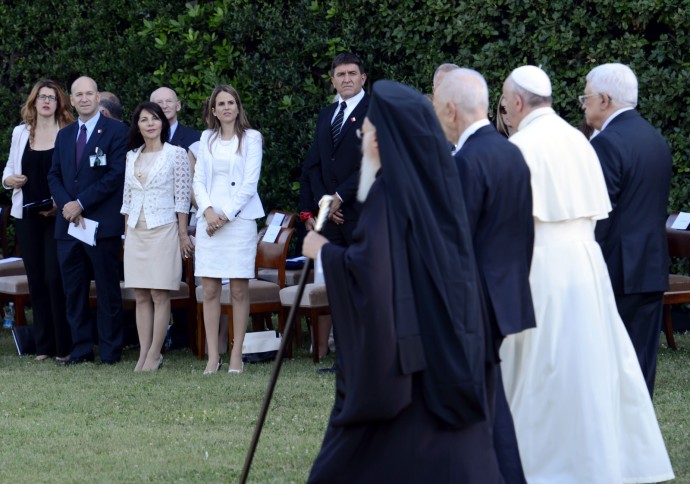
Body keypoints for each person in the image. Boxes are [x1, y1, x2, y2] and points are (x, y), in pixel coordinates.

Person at [304, 80, 501, 483]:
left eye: (366, 133)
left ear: (380, 142)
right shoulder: (435, 185)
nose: (362, 142)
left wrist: (322, 252)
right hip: (445, 344)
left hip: (405, 358)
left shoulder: (388, 195)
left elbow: (370, 272)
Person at [499, 65, 674, 483]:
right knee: (602, 367)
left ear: (518, 102)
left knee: (544, 370)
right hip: (593, 266)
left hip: (545, 267)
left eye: (504, 103)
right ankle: (604, 454)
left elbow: (508, 220)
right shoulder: (584, 142)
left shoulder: (523, 146)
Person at [434, 68, 535, 483]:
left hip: (472, 304)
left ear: (452, 110)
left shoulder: (466, 162)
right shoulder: (511, 152)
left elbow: (455, 245)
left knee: (475, 406)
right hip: (505, 296)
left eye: (439, 110)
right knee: (490, 403)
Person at [582, 63, 672, 397]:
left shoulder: (606, 144)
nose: (584, 104)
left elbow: (599, 215)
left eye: (587, 96)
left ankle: (618, 441)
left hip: (616, 269)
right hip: (650, 266)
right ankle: (641, 438)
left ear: (604, 99)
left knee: (610, 365)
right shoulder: (655, 138)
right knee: (642, 361)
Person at [47, 76, 129, 365]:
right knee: (74, 292)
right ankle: (81, 350)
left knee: (107, 292)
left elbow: (115, 175)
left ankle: (109, 352)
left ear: (98, 98)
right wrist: (68, 206)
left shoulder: (117, 132)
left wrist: (80, 203)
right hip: (68, 228)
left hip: (100, 227)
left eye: (89, 93)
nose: (84, 98)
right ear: (71, 100)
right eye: (78, 94)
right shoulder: (65, 135)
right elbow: (53, 175)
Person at [193, 84, 264, 374]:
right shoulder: (206, 138)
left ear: (238, 107)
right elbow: (198, 180)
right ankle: (213, 355)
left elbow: (250, 183)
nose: (226, 107)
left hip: (239, 221)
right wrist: (208, 212)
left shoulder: (252, 138)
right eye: (220, 103)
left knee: (237, 290)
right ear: (213, 110)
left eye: (231, 102)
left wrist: (224, 216)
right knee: (209, 290)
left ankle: (236, 355)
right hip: (208, 221)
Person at [2, 79, 74, 362]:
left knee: (55, 278)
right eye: (42, 97)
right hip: (27, 216)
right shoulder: (21, 132)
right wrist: (9, 180)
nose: (46, 101)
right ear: (33, 102)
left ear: (59, 104)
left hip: (58, 216)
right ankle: (43, 347)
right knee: (37, 281)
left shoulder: (68, 132)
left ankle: (64, 346)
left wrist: (63, 200)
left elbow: (73, 172)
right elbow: (9, 167)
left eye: (52, 98)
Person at [121, 102, 192, 371]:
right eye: (143, 120)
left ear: (162, 122)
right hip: (136, 231)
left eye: (154, 118)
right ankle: (143, 353)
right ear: (137, 126)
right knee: (140, 294)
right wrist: (126, 234)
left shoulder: (176, 154)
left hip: (164, 228)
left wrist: (183, 233)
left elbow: (183, 198)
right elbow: (127, 198)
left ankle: (154, 353)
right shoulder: (131, 156)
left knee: (160, 293)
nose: (150, 124)